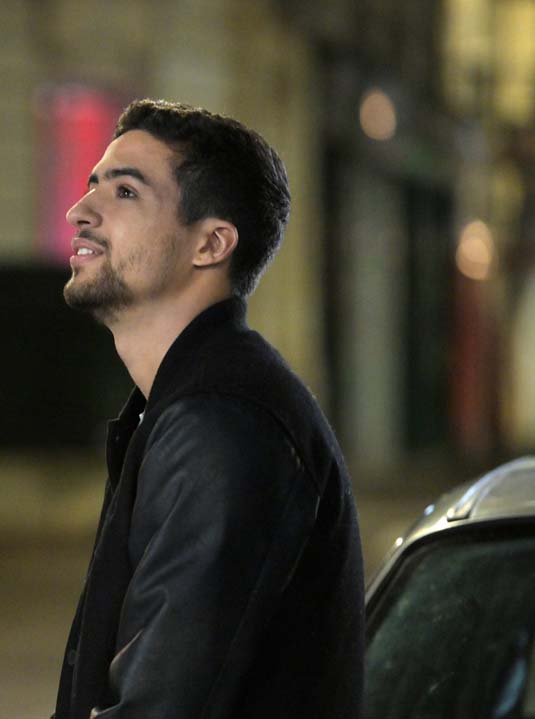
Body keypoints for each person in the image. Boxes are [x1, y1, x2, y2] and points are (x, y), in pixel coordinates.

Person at [53, 100, 364, 718]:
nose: (79, 210)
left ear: (211, 243)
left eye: (125, 192)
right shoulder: (191, 404)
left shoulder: (220, 424)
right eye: (93, 184)